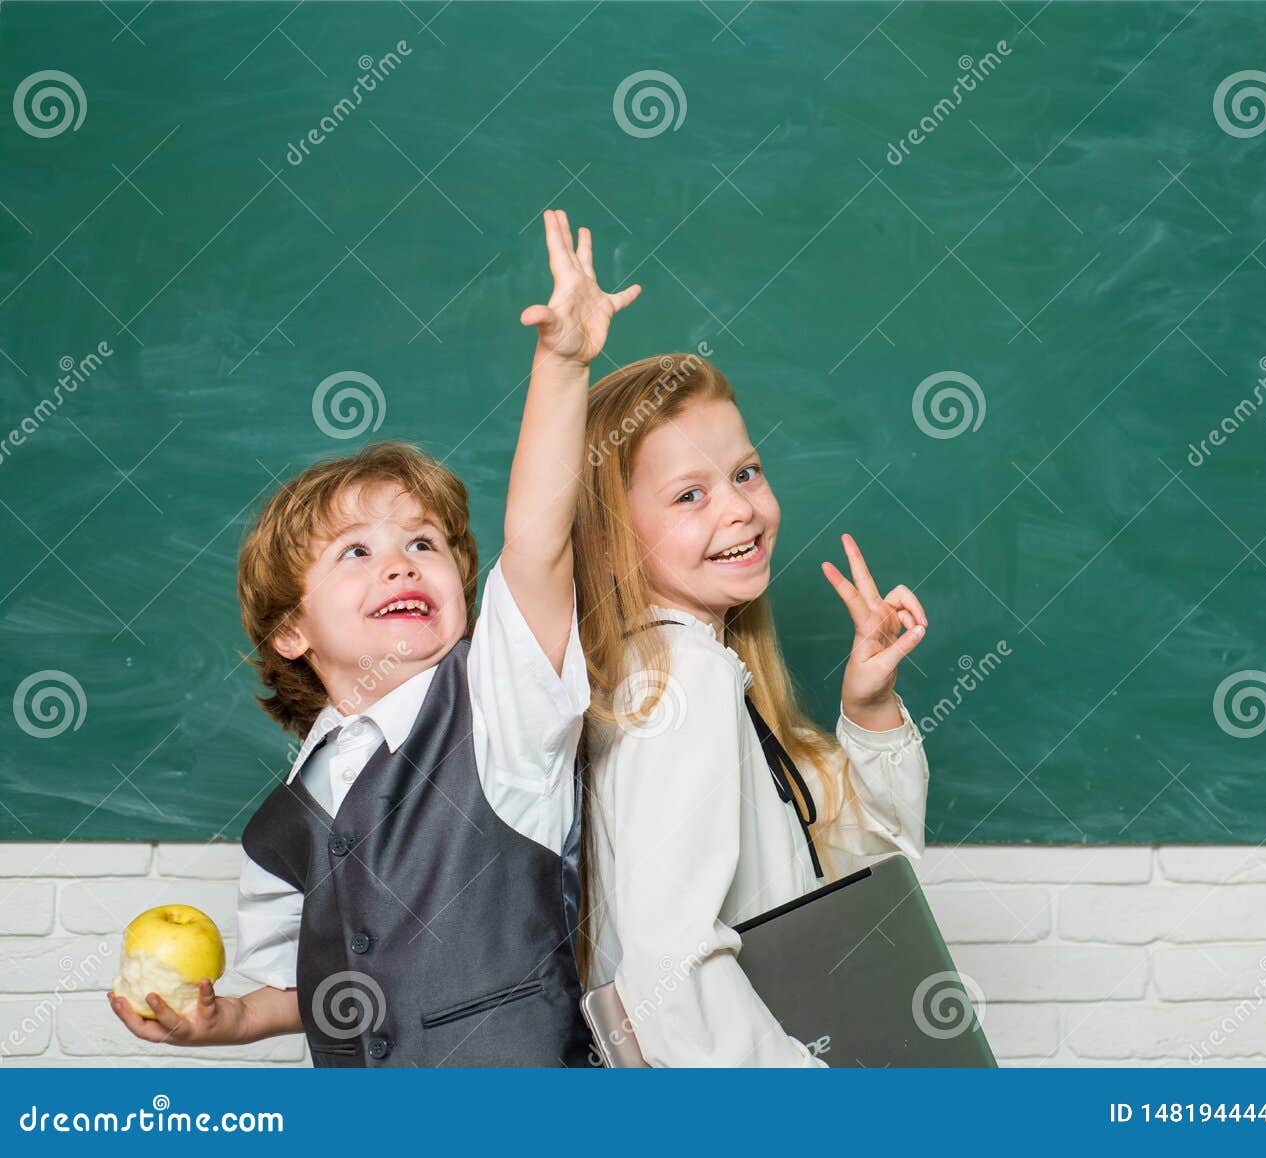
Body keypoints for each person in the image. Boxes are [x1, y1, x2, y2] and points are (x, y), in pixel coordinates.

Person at [108, 210, 640, 1066]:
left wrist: (564, 364)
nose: (400, 565)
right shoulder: (299, 798)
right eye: (358, 552)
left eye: (423, 544)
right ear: (291, 631)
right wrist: (226, 1022)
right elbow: (316, 984)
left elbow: (538, 539)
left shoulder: (502, 704)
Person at [568, 344, 933, 1066]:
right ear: (611, 546)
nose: (741, 509)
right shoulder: (683, 678)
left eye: (745, 473)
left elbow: (854, 892)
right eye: (689, 495)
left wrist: (869, 706)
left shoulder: (691, 669)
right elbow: (669, 976)